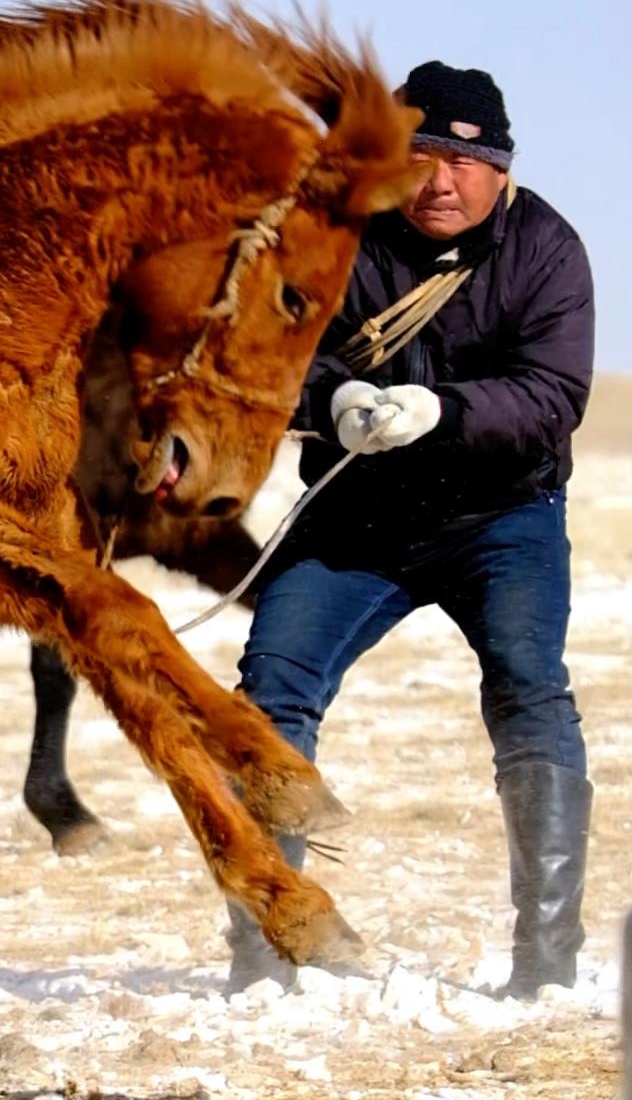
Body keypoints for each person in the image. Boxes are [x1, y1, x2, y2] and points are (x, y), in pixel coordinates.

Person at [227, 60, 594, 1001]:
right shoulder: (332, 238)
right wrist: (334, 397)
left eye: (465, 164)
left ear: (501, 171)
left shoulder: (549, 250)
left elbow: (554, 396)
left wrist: (443, 412)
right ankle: (267, 957)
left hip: (502, 515)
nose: (441, 182)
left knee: (529, 688)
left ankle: (546, 966)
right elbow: (267, 355)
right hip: (357, 521)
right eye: (421, 158)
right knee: (269, 695)